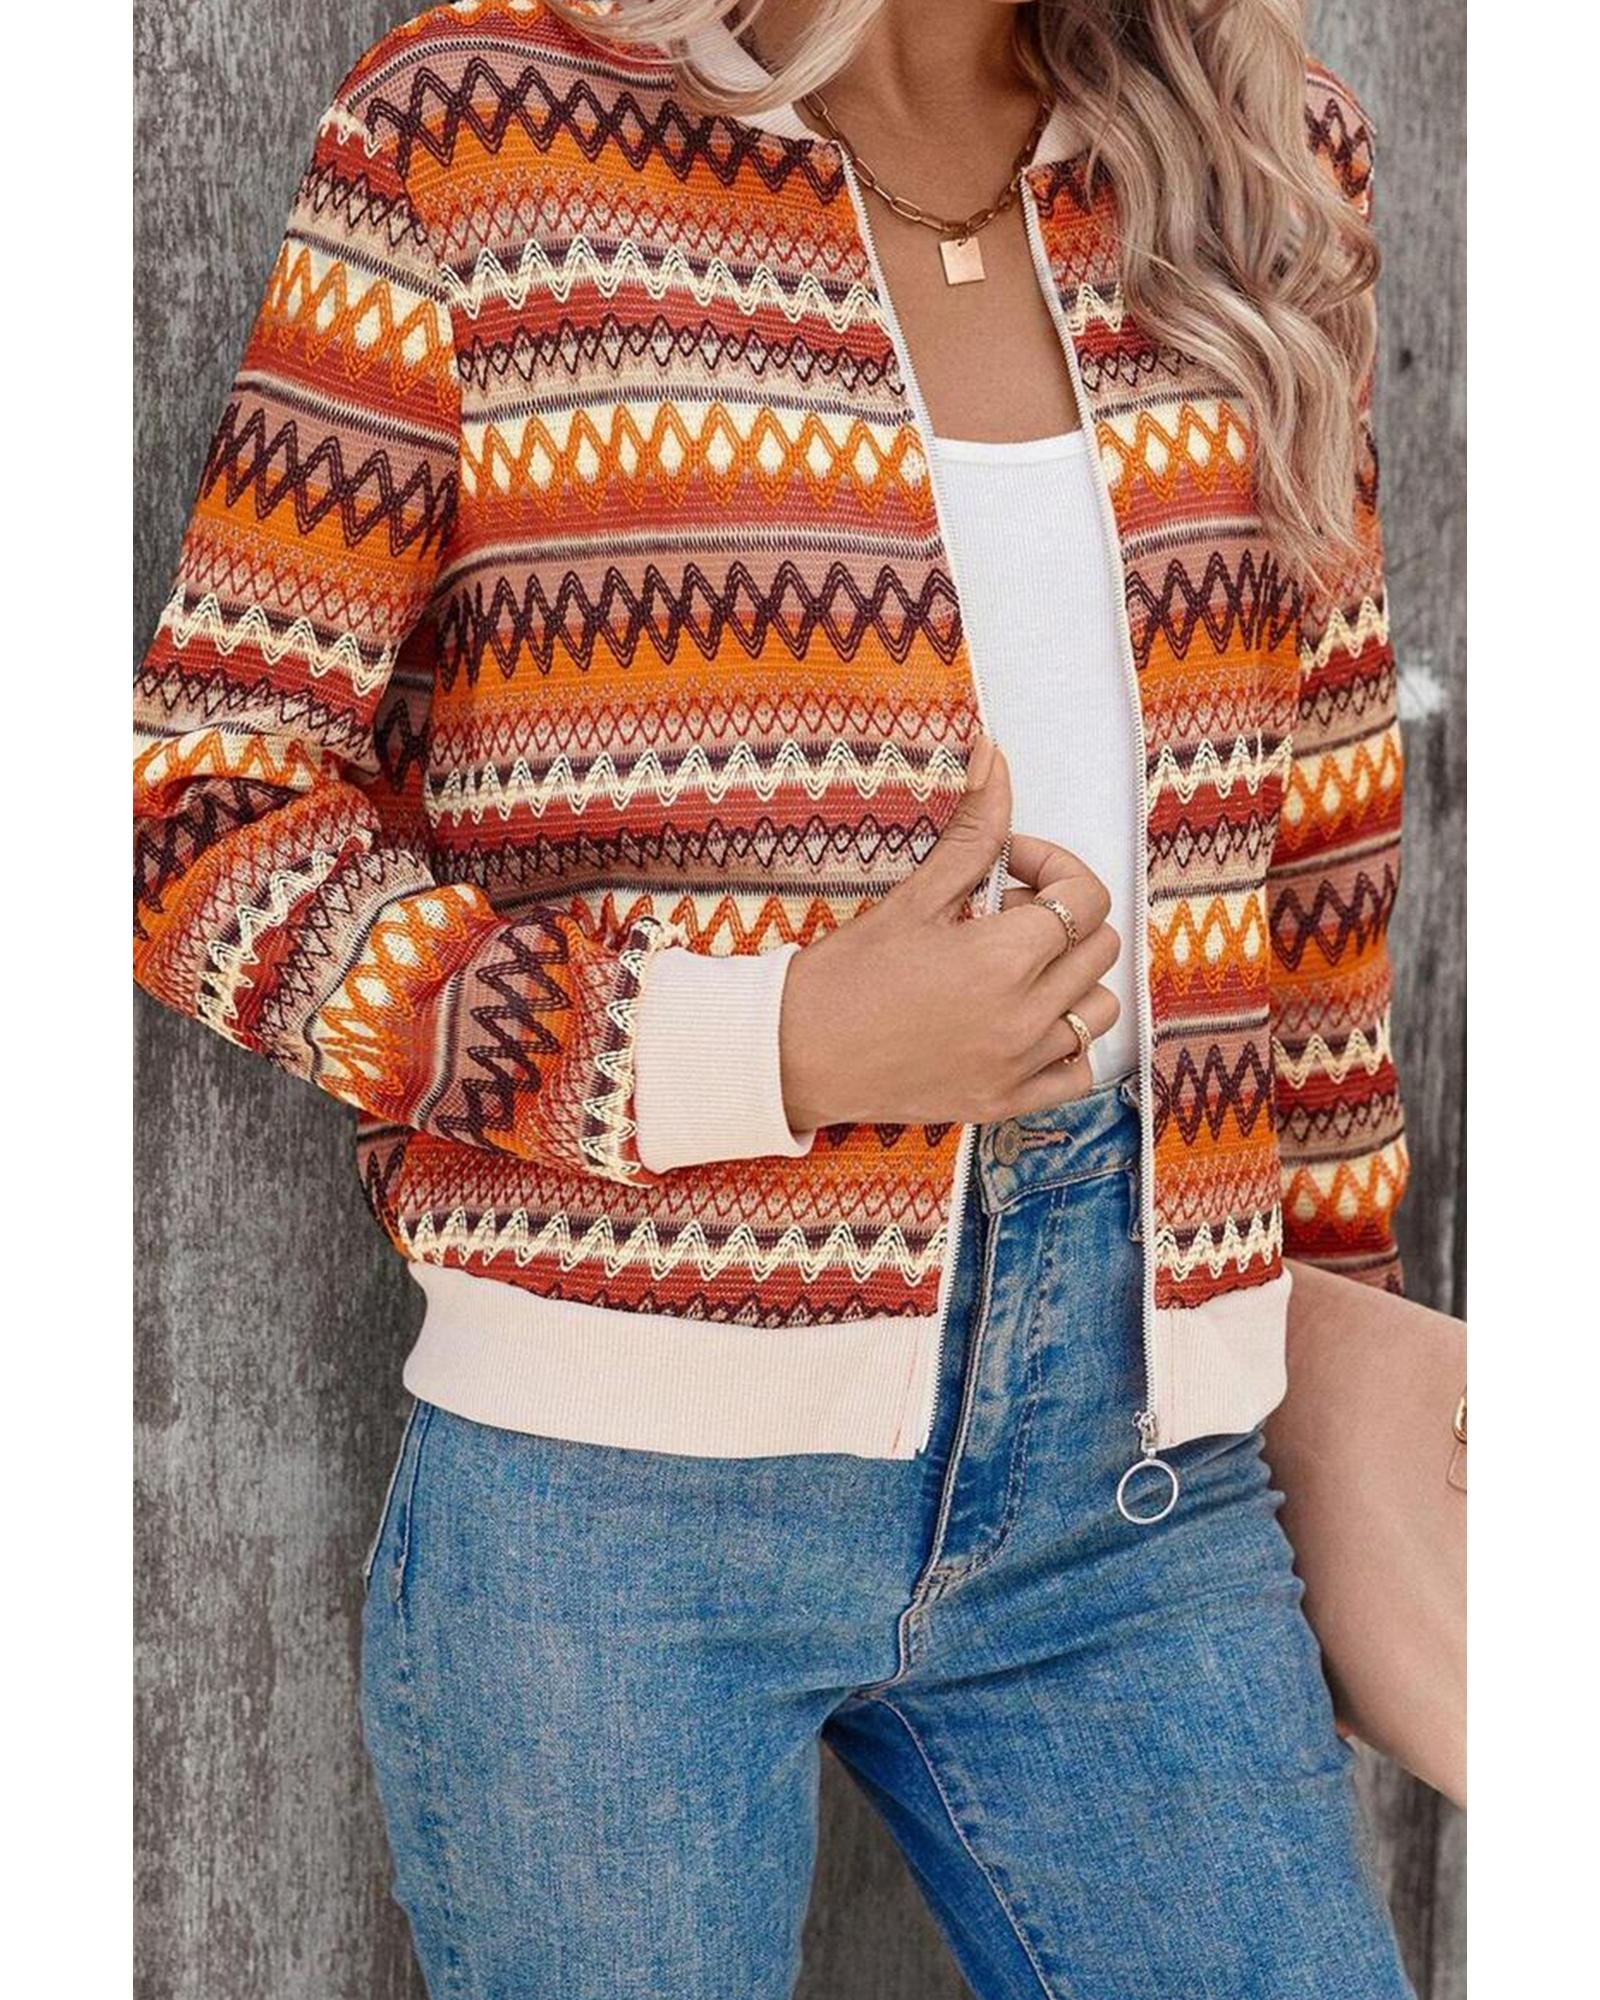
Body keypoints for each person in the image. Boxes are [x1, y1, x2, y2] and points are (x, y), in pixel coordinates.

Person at [132, 1, 1415, 1993]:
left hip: (1144, 1481)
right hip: (614, 1500)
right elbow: (200, 812)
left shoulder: (1257, 154)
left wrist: (1331, 1361)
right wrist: (768, 1043)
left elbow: (1319, 840)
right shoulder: (475, 135)